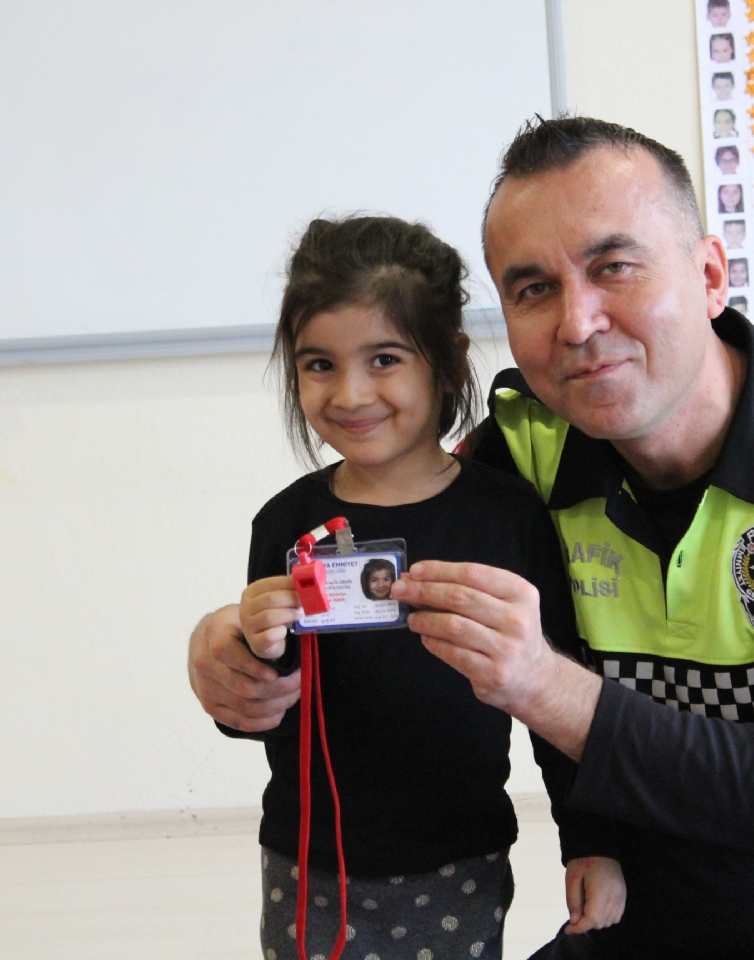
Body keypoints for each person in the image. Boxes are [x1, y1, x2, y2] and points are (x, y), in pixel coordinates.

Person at [189, 118, 754, 960]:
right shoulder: (519, 453)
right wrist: (226, 646)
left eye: (614, 267)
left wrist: (542, 683)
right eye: (534, 289)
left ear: (711, 277)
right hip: (634, 931)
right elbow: (378, 535)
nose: (577, 323)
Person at [221, 215, 622, 960]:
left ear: (446, 361)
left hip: (459, 859)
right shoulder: (287, 523)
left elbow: (560, 702)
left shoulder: (508, 517)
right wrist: (253, 652)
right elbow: (260, 717)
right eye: (318, 364)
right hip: (307, 863)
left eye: (384, 359)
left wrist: (589, 842)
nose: (350, 393)